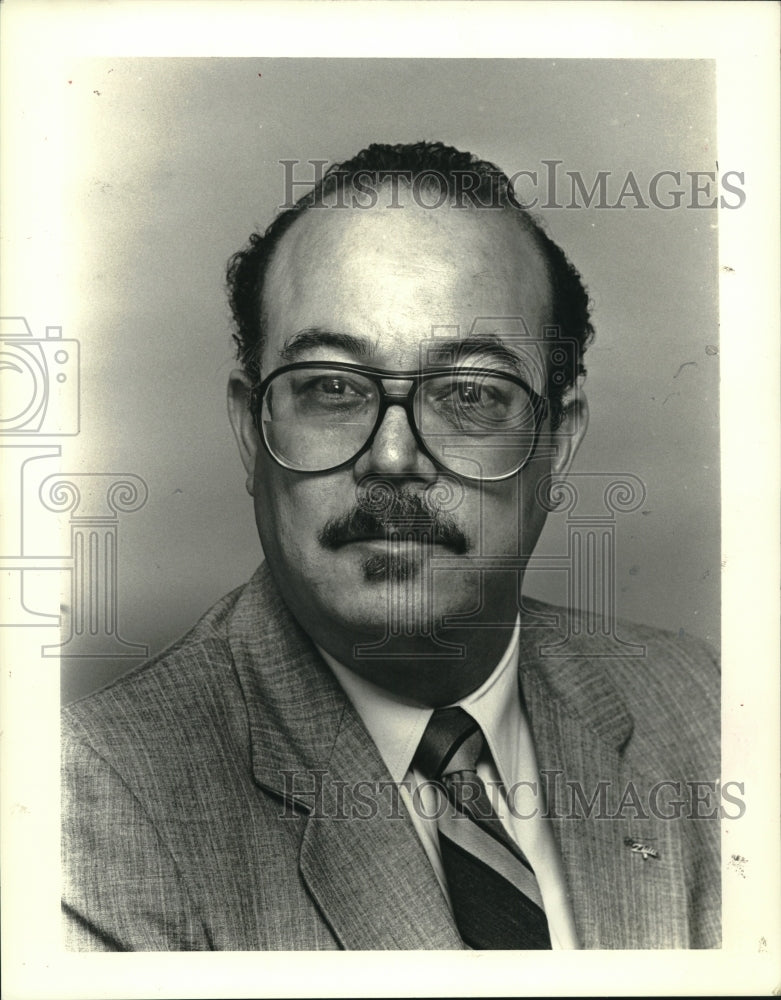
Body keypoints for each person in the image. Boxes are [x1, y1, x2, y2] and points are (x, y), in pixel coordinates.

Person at [61, 141, 720, 951]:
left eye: (471, 393)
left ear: (560, 440)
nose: (394, 458)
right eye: (331, 387)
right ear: (250, 431)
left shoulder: (704, 707)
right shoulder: (87, 808)